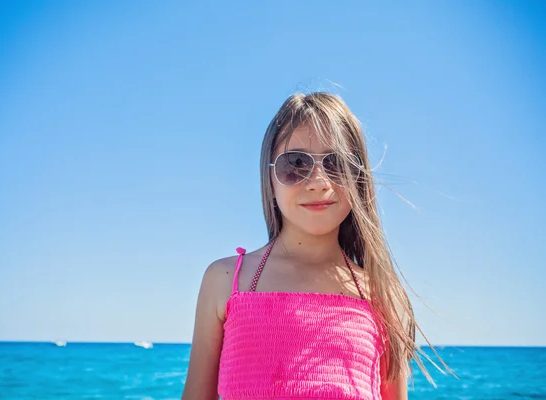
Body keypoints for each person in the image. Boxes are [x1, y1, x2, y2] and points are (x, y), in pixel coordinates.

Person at [182, 92, 440, 399]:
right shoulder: (227, 281)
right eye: (295, 164)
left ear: (359, 178)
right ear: (270, 179)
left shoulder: (381, 294)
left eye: (338, 164)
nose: (318, 181)